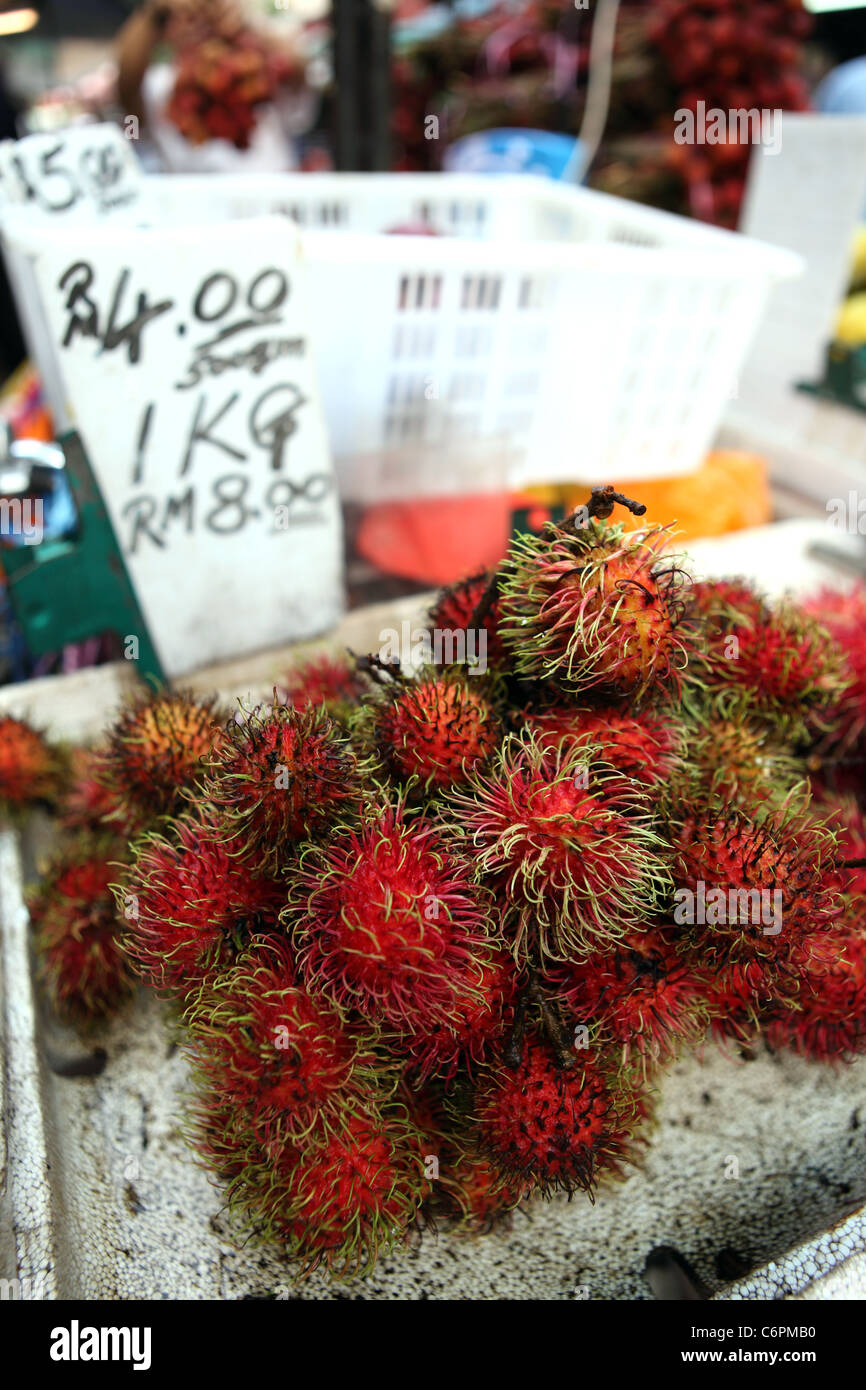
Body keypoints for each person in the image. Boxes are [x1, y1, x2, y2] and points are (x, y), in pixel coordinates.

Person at [116, 0, 307, 173]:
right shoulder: (159, 83)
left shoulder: (257, 68)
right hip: (193, 204)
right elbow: (126, 82)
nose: (198, 26)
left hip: (272, 198)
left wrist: (247, 23)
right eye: (186, 19)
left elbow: (299, 68)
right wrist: (154, 13)